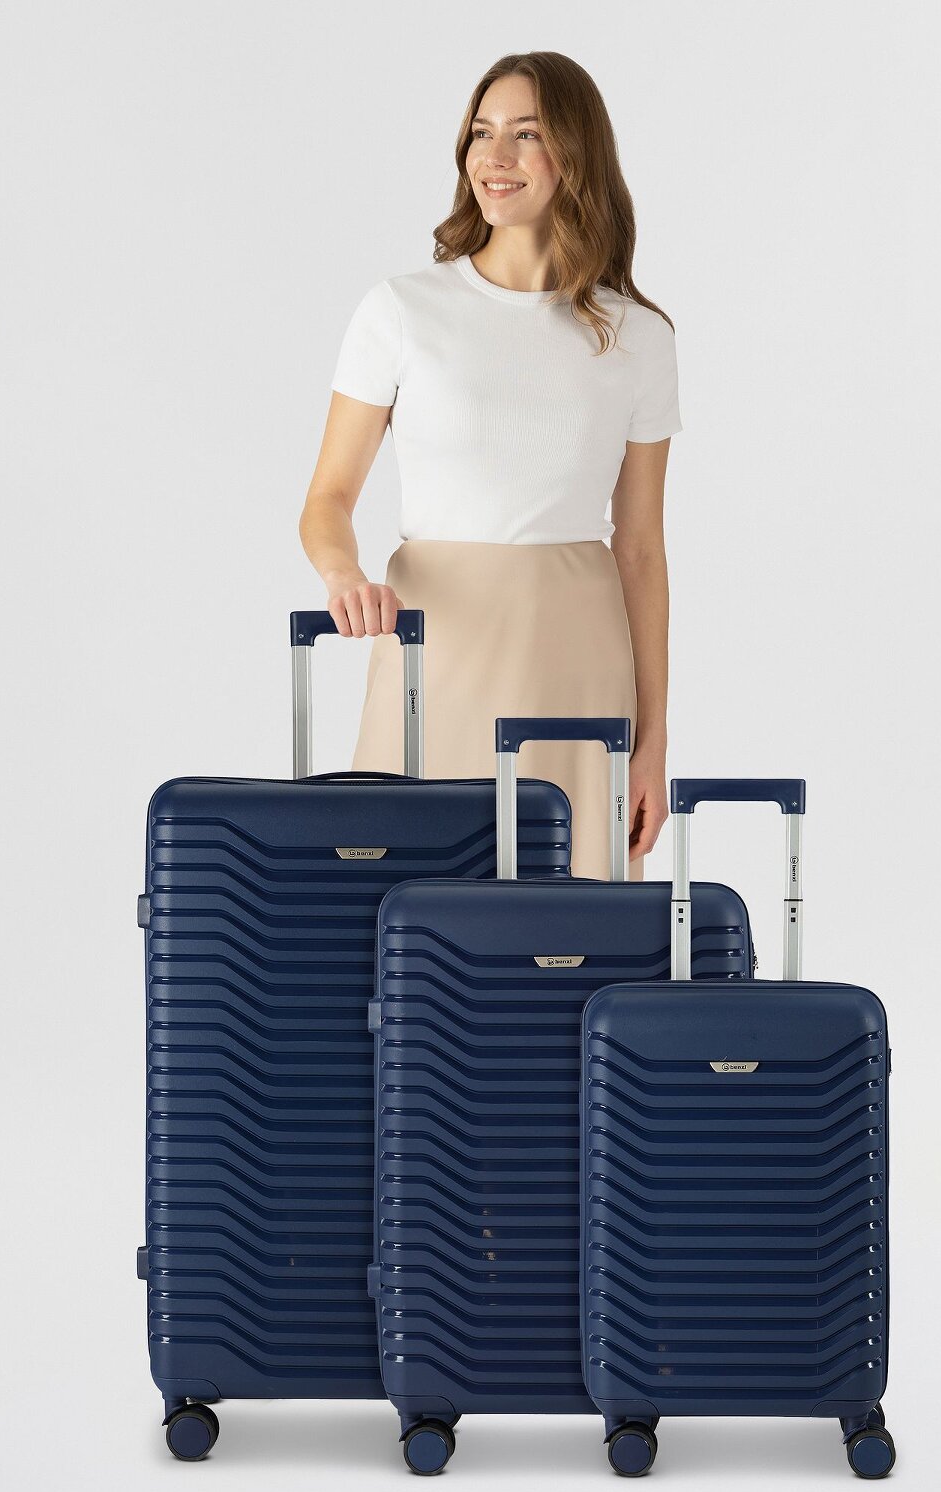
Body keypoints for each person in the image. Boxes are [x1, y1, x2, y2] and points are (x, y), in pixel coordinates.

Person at [299, 51, 681, 881]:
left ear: (576, 154)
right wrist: (343, 575)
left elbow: (642, 549)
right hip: (432, 653)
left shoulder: (639, 338)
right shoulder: (402, 311)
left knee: (572, 923)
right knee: (404, 911)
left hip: (578, 664)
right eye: (481, 132)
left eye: (526, 134)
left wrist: (653, 740)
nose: (494, 157)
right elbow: (327, 498)